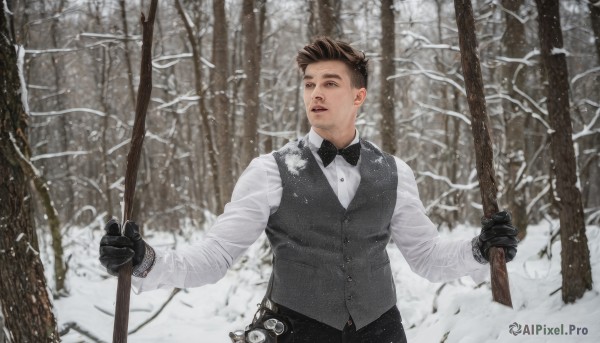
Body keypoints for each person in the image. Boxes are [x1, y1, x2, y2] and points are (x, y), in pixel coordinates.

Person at [100, 37, 518, 343]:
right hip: (298, 331)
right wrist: (142, 260)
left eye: (330, 83)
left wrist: (482, 249)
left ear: (359, 95)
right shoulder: (269, 171)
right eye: (309, 83)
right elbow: (215, 257)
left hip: (382, 332)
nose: (315, 92)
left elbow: (427, 257)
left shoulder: (394, 172)